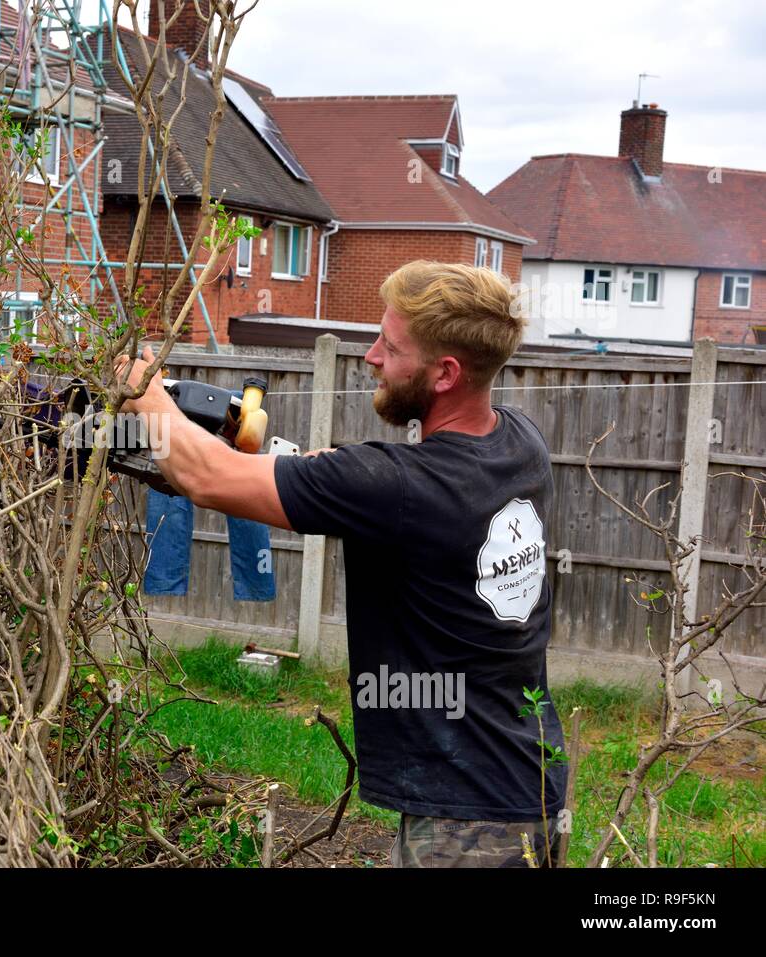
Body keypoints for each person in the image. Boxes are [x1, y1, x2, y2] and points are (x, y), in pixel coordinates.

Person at [115, 260, 568, 867]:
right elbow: (406, 495)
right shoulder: (519, 441)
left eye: (391, 345)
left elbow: (204, 475)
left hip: (466, 826)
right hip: (529, 781)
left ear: (446, 374)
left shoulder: (399, 486)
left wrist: (146, 394)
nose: (372, 356)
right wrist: (330, 473)